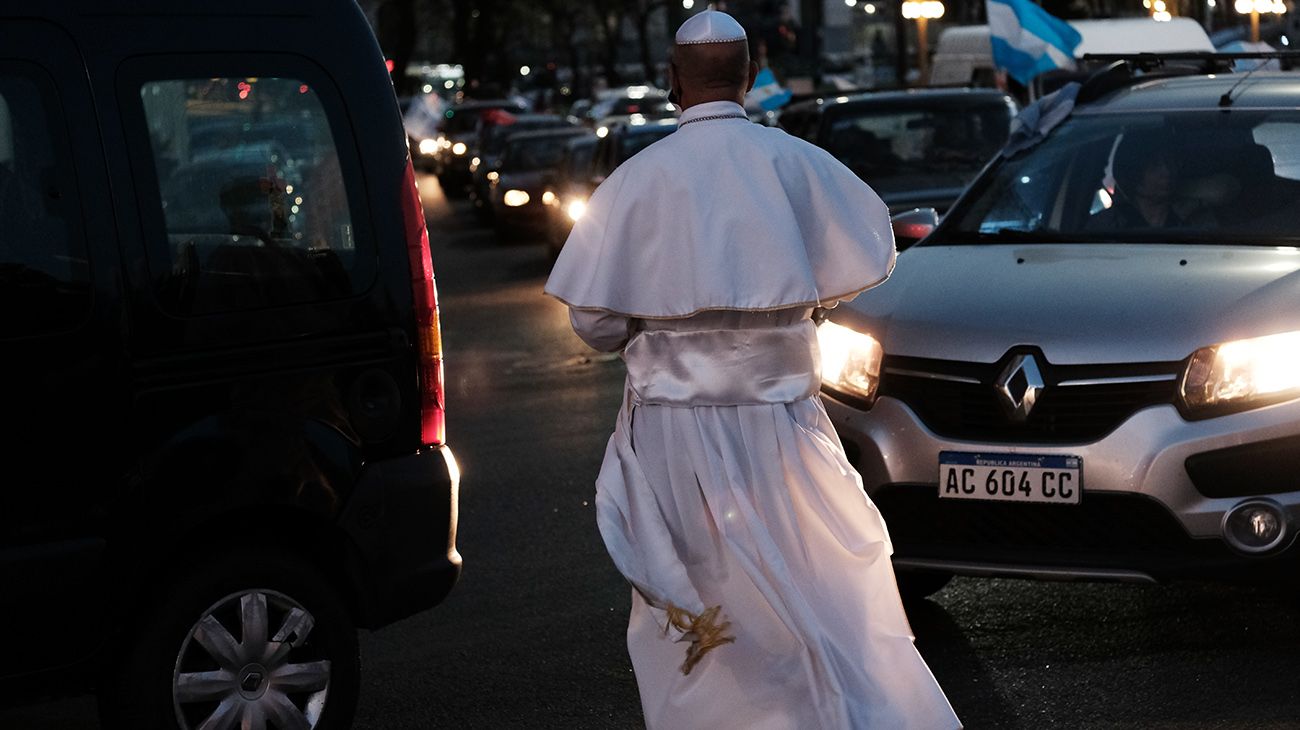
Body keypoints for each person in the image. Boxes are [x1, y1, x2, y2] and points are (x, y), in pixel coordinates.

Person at [544, 10, 960, 730]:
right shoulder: (797, 163)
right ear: (750, 69)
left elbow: (597, 322)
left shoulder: (635, 181)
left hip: (675, 440)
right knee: (815, 587)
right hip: (785, 428)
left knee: (704, 605)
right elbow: (859, 262)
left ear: (673, 82)